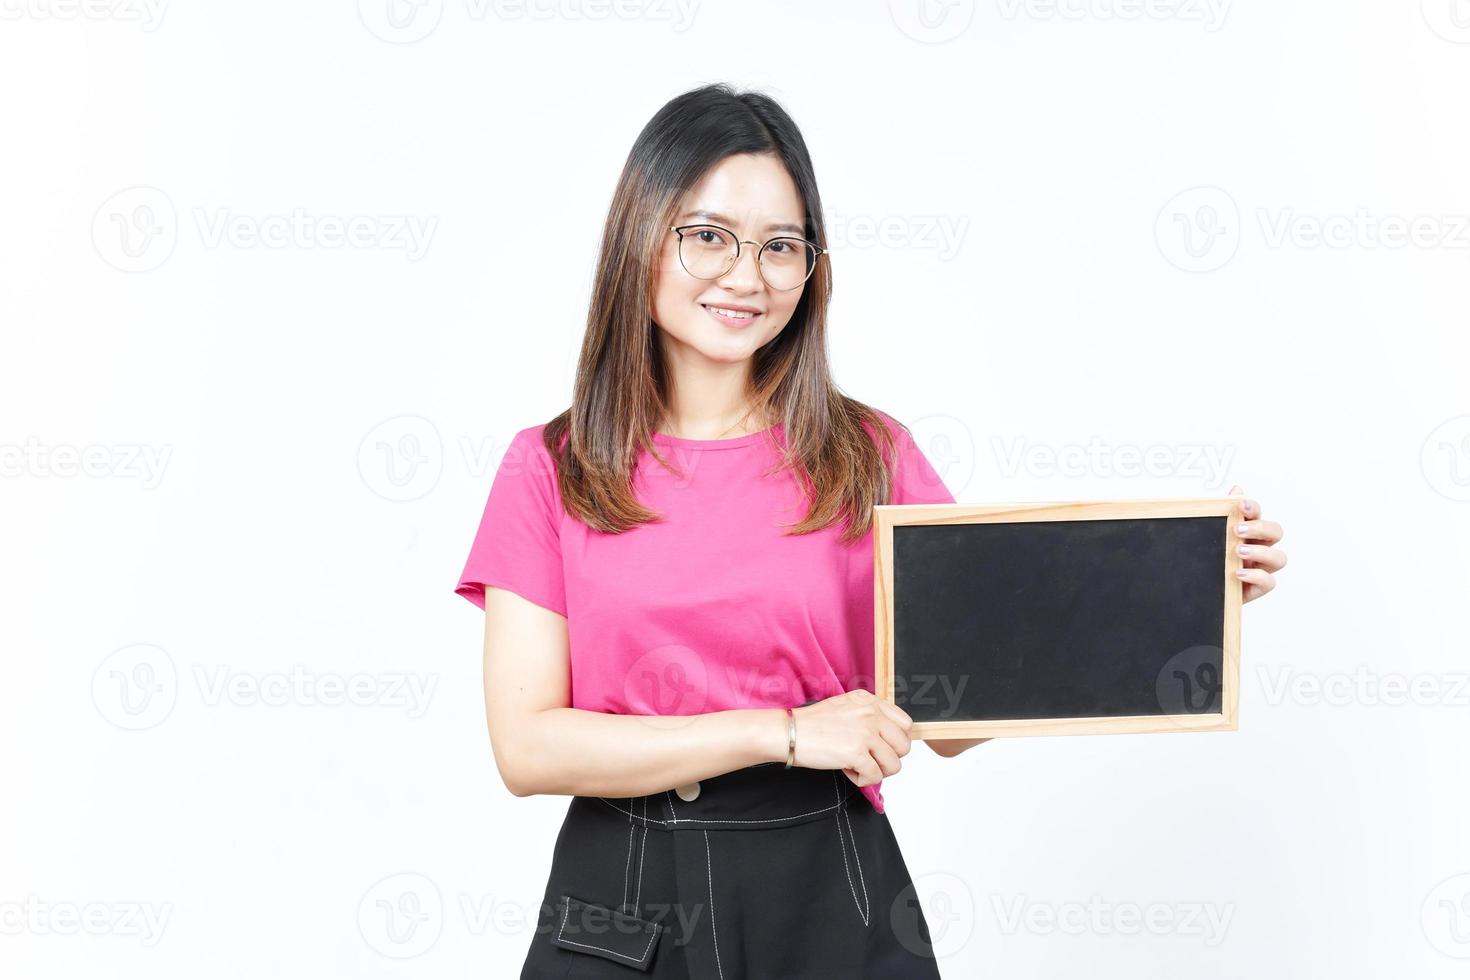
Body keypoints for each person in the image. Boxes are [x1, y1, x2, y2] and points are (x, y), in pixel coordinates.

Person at [453, 83, 1288, 979]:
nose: (747, 275)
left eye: (782, 246)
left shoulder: (869, 454)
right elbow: (528, 746)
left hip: (829, 887)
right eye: (708, 235)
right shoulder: (549, 465)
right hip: (622, 900)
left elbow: (959, 715)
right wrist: (783, 731)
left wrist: (1172, 589)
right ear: (639, 236)